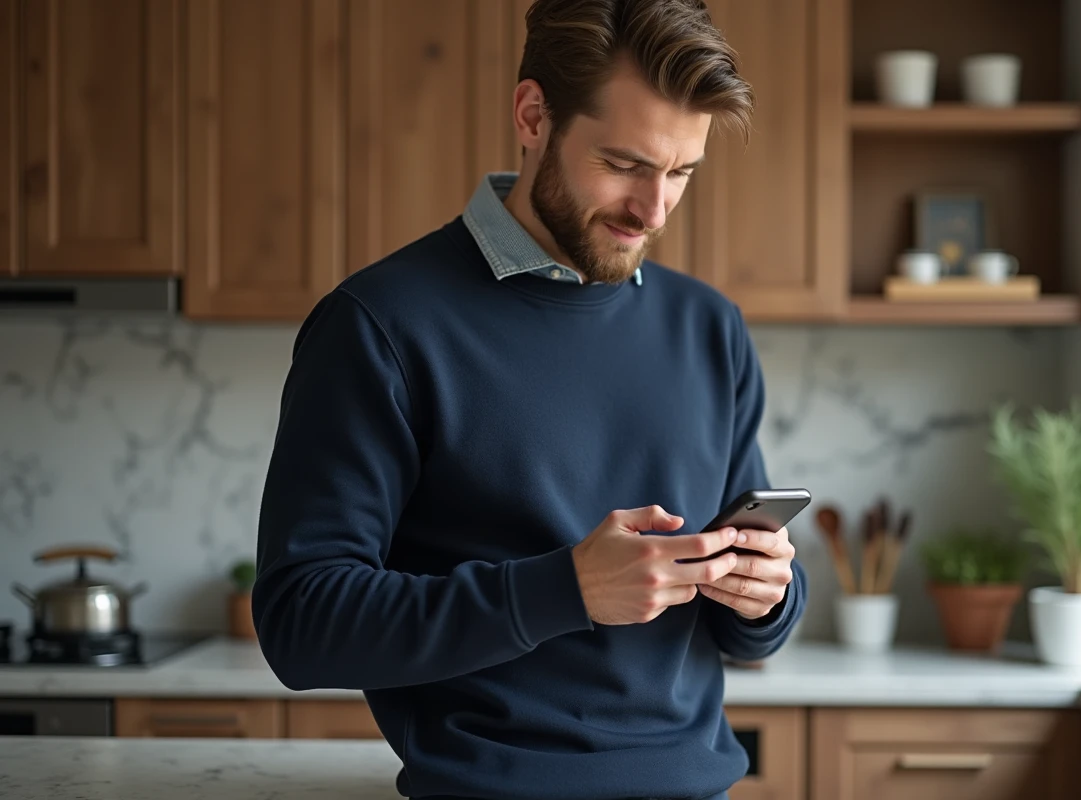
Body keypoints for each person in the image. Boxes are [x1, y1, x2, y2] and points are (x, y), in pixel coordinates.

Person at [253, 1, 807, 798]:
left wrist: (767, 595)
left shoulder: (708, 327)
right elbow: (302, 624)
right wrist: (566, 590)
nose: (653, 211)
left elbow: (745, 631)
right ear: (533, 114)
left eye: (681, 172)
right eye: (624, 163)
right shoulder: (380, 325)